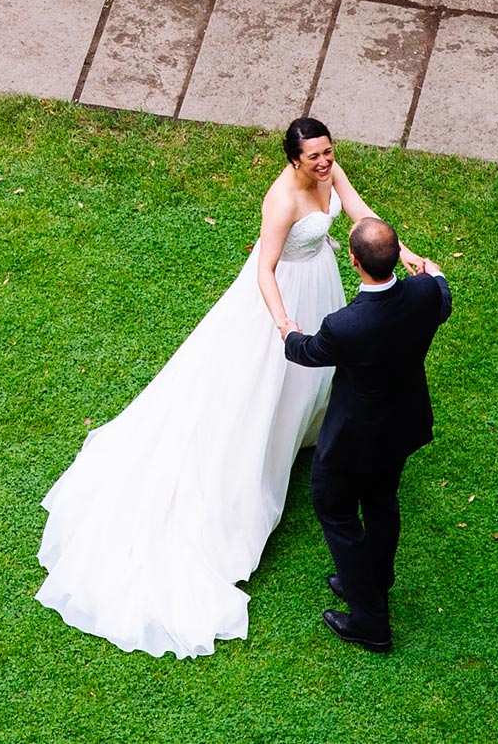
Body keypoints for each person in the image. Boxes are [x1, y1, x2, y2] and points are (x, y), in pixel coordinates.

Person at [35, 118, 425, 657]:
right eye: (314, 157)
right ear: (293, 159)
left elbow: (361, 213)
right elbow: (264, 269)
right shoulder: (282, 199)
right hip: (282, 295)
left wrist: (399, 250)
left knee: (320, 376)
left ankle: (307, 430)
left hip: (320, 282)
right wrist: (285, 325)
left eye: (329, 153)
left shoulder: (332, 173)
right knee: (270, 384)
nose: (324, 163)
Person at [280, 216, 451, 652]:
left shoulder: (345, 325)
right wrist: (431, 269)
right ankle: (376, 576)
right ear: (397, 258)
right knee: (380, 500)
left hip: (353, 440)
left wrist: (287, 330)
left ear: (353, 261)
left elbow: (307, 351)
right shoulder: (426, 295)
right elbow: (440, 288)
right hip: (400, 426)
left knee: (335, 511)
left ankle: (371, 622)